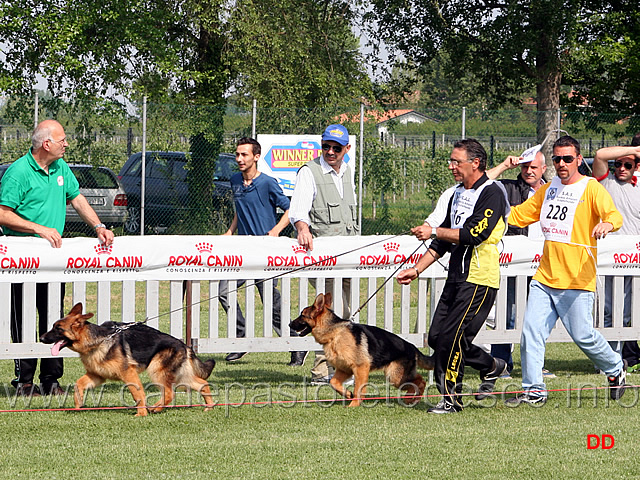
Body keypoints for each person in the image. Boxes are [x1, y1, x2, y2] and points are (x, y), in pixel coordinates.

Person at [505, 135, 626, 405]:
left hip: (577, 279)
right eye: (557, 158)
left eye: (567, 158)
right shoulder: (547, 189)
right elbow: (518, 215)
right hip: (545, 277)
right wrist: (488, 211)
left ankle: (615, 368)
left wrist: (607, 225)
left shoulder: (591, 188)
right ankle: (534, 390)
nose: (561, 163)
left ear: (579, 160)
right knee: (531, 333)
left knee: (584, 336)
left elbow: (614, 216)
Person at [0, 119, 114, 396]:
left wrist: (98, 226)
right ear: (46, 143)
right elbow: (3, 213)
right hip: (22, 262)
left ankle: (51, 379)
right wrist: (38, 229)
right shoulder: (18, 172)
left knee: (55, 319)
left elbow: (77, 199)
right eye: (62, 139)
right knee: (23, 320)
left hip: (53, 262)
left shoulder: (61, 167)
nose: (66, 143)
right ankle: (25, 381)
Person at [397, 138, 510, 414]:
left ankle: (451, 400)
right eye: (451, 161)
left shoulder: (492, 192)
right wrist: (417, 268)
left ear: (476, 163)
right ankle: (491, 366)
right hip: (456, 277)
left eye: (456, 161)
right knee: (437, 338)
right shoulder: (458, 193)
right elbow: (445, 239)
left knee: (451, 340)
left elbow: (474, 234)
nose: (451, 167)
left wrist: (433, 230)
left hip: (479, 279)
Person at [219, 137, 307, 366]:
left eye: (244, 155)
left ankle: (295, 344)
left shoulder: (268, 182)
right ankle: (241, 338)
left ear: (256, 157)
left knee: (271, 302)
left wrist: (276, 231)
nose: (239, 159)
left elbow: (290, 209)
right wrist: (230, 231)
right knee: (223, 290)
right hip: (241, 252)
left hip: (265, 253)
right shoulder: (235, 180)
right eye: (237, 154)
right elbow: (240, 210)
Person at [289, 124, 359, 385]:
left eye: (336, 148)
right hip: (324, 257)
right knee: (330, 315)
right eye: (326, 146)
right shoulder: (309, 172)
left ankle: (337, 366)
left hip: (349, 255)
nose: (330, 151)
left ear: (346, 149)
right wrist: (303, 228)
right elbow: (298, 210)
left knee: (346, 312)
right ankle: (323, 371)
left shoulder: (348, 172)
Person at [486, 150, 550, 378]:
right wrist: (504, 165)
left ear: (544, 168)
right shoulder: (507, 188)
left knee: (538, 317)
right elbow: (480, 182)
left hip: (545, 263)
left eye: (534, 167)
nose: (529, 171)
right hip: (515, 263)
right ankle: (501, 364)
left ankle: (536, 365)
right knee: (507, 313)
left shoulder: (553, 191)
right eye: (525, 167)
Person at [592, 143, 640, 371]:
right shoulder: (605, 183)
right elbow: (600, 155)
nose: (621, 168)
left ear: (636, 167)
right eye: (617, 164)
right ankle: (609, 362)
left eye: (627, 164)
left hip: (634, 262)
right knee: (608, 312)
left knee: (629, 313)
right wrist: (636, 149)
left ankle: (620, 358)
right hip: (607, 260)